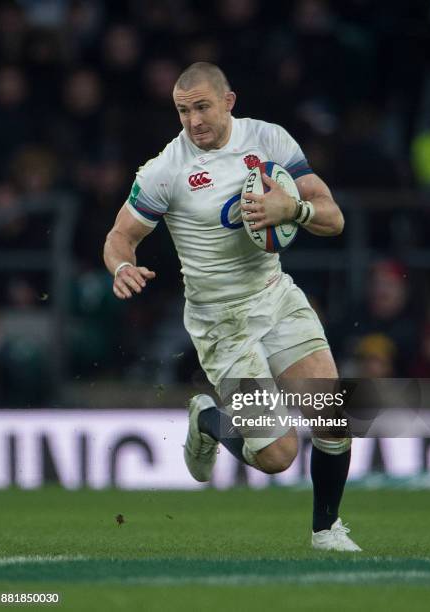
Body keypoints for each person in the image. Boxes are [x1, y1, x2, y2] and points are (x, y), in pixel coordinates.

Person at [103, 62, 360, 552]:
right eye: (183, 111)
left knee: (333, 415)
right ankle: (209, 421)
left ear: (229, 101)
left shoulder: (271, 140)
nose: (193, 120)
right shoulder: (166, 170)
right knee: (278, 455)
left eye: (202, 106)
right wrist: (121, 268)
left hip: (275, 296)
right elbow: (120, 236)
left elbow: (333, 218)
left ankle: (326, 533)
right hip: (222, 323)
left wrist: (294, 209)